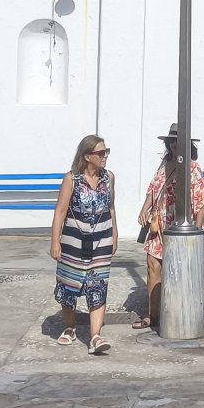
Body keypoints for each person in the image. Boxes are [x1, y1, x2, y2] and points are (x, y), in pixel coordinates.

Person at [134, 125, 204, 330]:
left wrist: (197, 231)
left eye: (178, 140)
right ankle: (153, 315)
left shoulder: (192, 168)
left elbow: (201, 201)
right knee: (153, 266)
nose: (174, 144)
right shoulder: (164, 164)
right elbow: (153, 189)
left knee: (184, 269)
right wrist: (144, 209)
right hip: (159, 223)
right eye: (171, 140)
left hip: (181, 226)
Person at [48, 134, 115, 355]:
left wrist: (114, 233)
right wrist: (55, 241)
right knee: (68, 284)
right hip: (73, 240)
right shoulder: (72, 179)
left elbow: (111, 208)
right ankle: (70, 326)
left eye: (106, 152)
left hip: (101, 239)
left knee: (98, 284)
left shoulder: (109, 178)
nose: (105, 156)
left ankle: (95, 336)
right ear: (87, 156)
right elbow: (60, 210)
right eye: (100, 153)